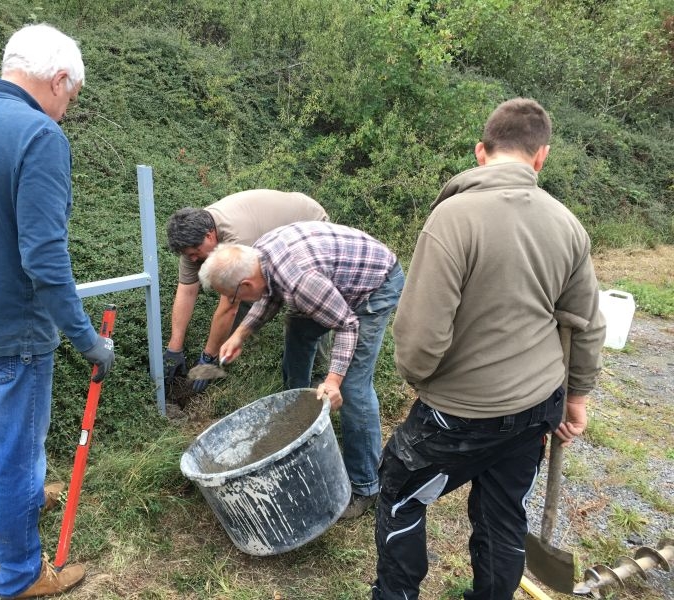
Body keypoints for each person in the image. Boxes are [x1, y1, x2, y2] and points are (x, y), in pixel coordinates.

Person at [373, 98, 606, 599]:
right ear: (541, 156)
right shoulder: (568, 224)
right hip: (538, 404)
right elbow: (586, 323)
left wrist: (422, 380)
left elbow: (419, 338)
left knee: (398, 492)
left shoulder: (452, 218)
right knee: (503, 513)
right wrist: (577, 399)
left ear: (481, 152)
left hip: (460, 413)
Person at [0, 24, 115, 600]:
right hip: (9, 334)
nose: (65, 111)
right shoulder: (39, 135)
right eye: (70, 98)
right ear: (58, 80)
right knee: (13, 456)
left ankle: (28, 495)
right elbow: (45, 258)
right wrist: (87, 339)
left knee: (5, 442)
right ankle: (21, 577)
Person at [198, 221, 405, 518]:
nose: (235, 302)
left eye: (233, 297)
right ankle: (297, 420)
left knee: (353, 387)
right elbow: (269, 294)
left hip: (374, 285)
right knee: (298, 331)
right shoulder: (259, 259)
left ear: (244, 285)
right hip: (330, 280)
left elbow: (347, 325)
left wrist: (333, 381)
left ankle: (365, 485)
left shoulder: (300, 282)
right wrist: (240, 334)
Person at [163, 189, 329, 392]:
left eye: (195, 253)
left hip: (308, 224)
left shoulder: (237, 238)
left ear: (210, 236)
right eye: (188, 255)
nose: (193, 259)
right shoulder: (192, 242)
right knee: (242, 297)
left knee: (308, 304)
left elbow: (229, 307)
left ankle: (320, 372)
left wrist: (208, 358)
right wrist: (174, 348)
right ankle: (227, 353)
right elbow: (186, 292)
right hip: (270, 225)